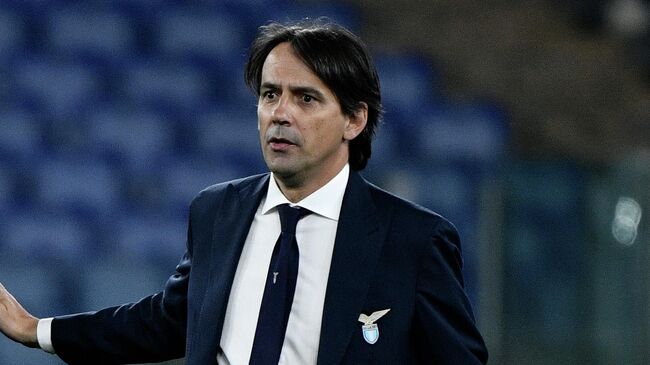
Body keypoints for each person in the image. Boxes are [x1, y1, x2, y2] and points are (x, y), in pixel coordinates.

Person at [0, 20, 488, 364]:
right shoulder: (217, 211)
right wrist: (36, 329)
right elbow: (166, 322)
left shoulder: (413, 240)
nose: (281, 113)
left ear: (354, 120)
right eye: (271, 94)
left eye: (306, 98)